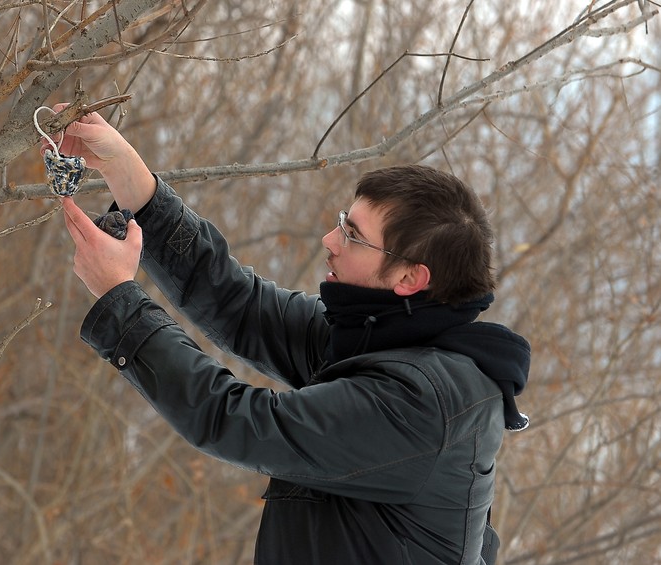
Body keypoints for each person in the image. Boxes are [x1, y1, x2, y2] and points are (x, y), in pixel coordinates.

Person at [48, 106, 530, 564]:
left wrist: (119, 296)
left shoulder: (422, 403)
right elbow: (239, 304)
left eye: (354, 235)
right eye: (344, 221)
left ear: (410, 278)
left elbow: (237, 420)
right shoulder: (378, 335)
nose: (330, 240)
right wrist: (131, 179)